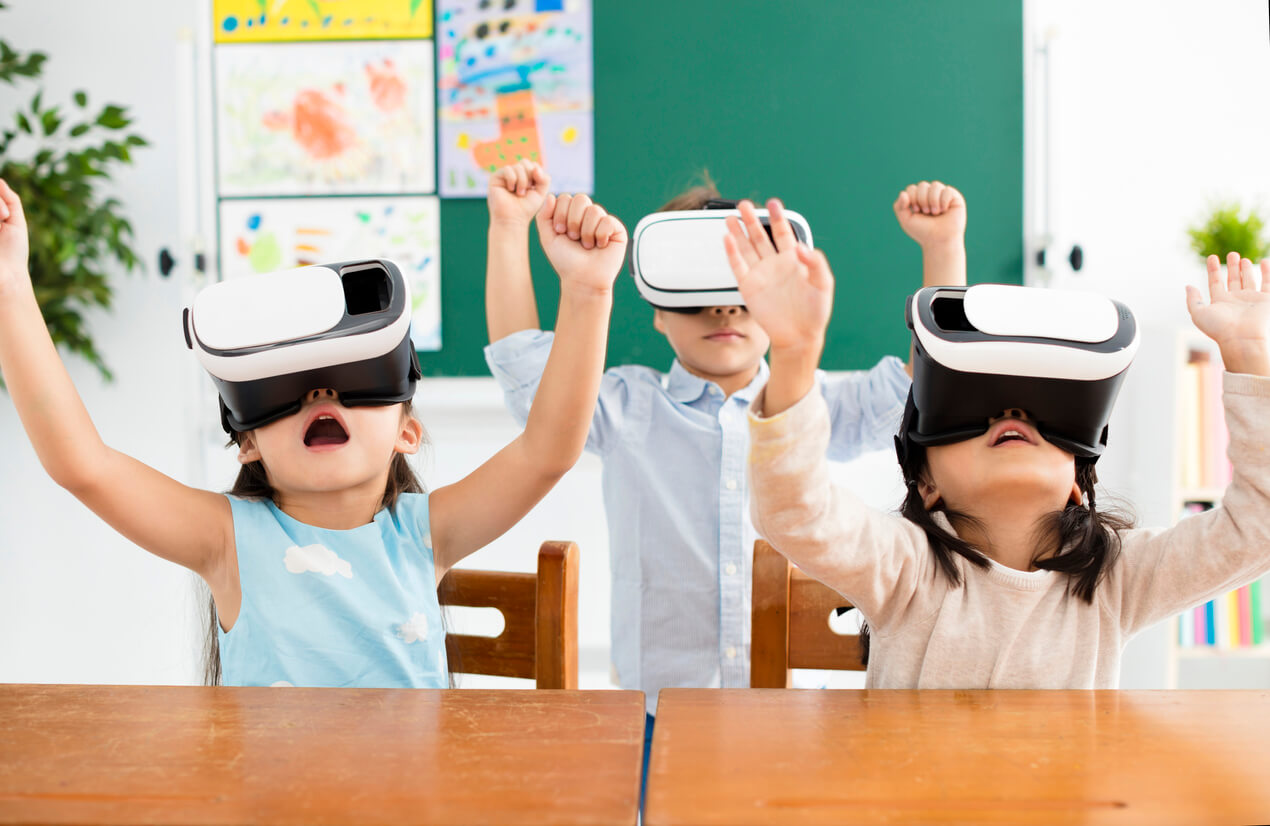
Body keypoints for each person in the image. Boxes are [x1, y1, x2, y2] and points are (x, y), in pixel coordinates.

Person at [0, 177, 627, 687]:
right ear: (246, 442)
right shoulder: (227, 540)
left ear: (408, 431)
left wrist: (587, 290)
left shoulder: (426, 533)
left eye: (355, 382)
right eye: (283, 392)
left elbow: (549, 451)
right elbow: (83, 464)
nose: (322, 395)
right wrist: (8, 283)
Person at [483, 160, 966, 782]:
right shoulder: (627, 407)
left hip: (802, 712)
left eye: (742, 296)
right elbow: (531, 382)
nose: (723, 312)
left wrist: (943, 248)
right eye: (698, 300)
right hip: (662, 713)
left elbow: (928, 385)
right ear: (658, 310)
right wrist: (507, 228)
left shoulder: (811, 406)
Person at [731, 195, 1270, 688]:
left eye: (1042, 416)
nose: (1012, 414)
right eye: (977, 411)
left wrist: (1249, 359)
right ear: (926, 482)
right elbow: (795, 512)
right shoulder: (905, 568)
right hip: (918, 795)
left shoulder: (1114, 579)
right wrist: (795, 353)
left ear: (1078, 486)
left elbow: (1257, 530)